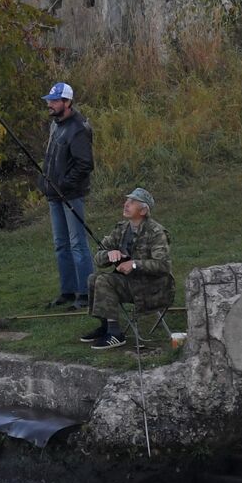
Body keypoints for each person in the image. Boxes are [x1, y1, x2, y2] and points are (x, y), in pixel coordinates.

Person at [79, 187, 174, 350]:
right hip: (131, 283)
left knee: (104, 280)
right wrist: (109, 254)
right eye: (127, 201)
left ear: (143, 210)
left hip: (152, 288)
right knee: (93, 278)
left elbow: (163, 266)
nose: (126, 204)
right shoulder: (121, 229)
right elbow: (98, 257)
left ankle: (116, 335)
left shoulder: (156, 233)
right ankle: (106, 328)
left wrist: (134, 264)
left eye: (132, 202)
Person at [38, 81, 95, 309]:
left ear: (67, 102)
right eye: (49, 101)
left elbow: (85, 164)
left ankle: (85, 292)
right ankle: (68, 290)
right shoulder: (55, 125)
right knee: (60, 244)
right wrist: (44, 181)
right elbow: (50, 157)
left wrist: (64, 184)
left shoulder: (79, 128)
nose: (50, 105)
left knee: (77, 244)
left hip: (71, 195)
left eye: (54, 101)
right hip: (53, 194)